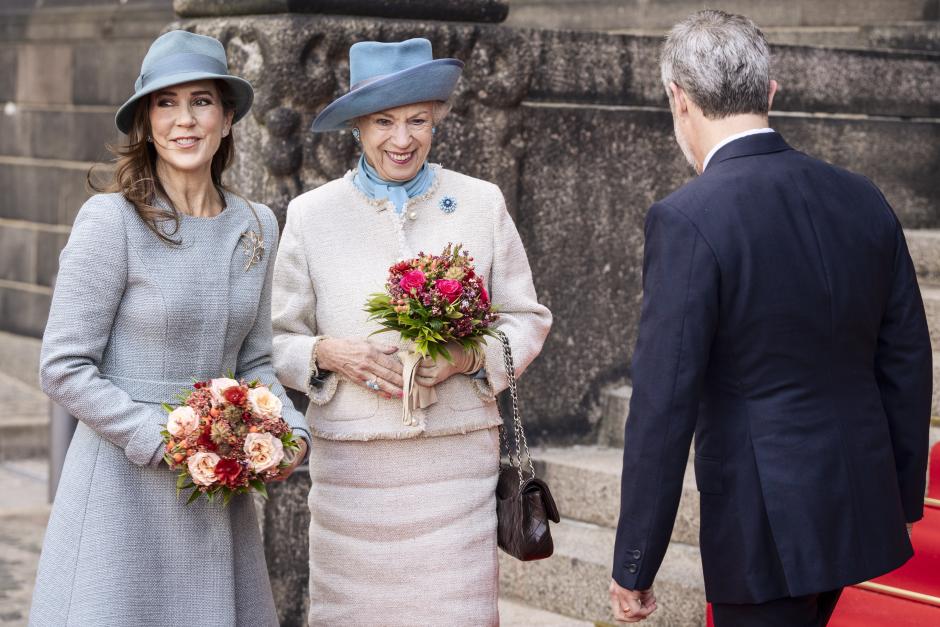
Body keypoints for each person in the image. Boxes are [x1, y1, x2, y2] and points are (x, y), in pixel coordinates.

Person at [608, 10, 931, 626]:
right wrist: (899, 493)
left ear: (679, 99)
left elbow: (663, 404)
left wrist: (635, 561)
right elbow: (907, 359)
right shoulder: (861, 194)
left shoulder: (687, 216)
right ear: (770, 92)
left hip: (763, 520)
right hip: (858, 499)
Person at [29, 30, 309, 626]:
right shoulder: (112, 221)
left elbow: (256, 361)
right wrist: (165, 436)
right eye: (166, 103)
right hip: (120, 494)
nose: (185, 120)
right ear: (145, 122)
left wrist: (290, 430)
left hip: (216, 505)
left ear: (227, 119)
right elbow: (62, 366)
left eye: (201, 101)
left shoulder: (257, 225)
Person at [271, 38, 552, 626]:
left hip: (456, 473)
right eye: (384, 122)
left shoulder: (481, 203)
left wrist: (465, 358)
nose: (402, 139)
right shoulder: (311, 214)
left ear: (437, 119)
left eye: (418, 120)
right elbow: (275, 341)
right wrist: (328, 353)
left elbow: (526, 319)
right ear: (357, 127)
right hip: (353, 482)